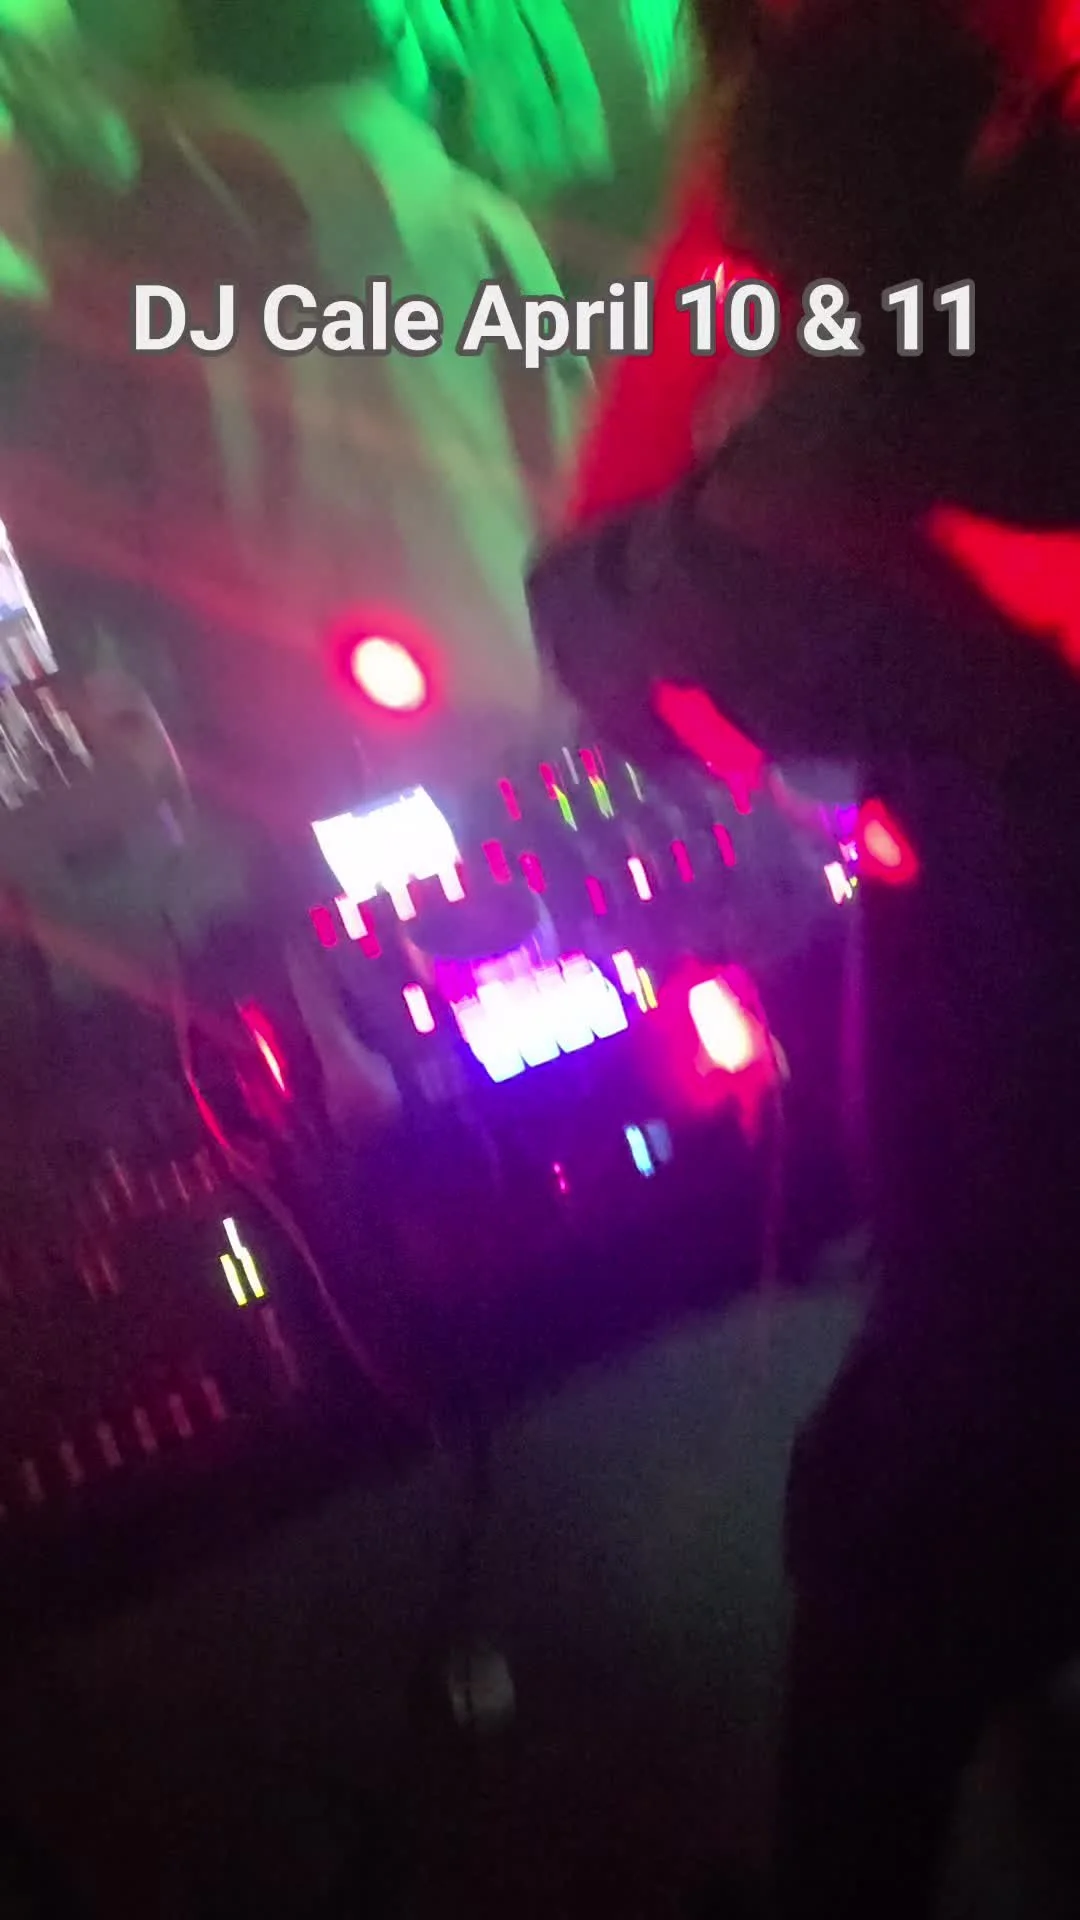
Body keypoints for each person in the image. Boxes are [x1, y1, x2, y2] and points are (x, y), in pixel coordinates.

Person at [529, 3, 1080, 1914]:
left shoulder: (896, 427)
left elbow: (615, 622)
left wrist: (734, 255)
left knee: (915, 1536)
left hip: (1026, 1161)